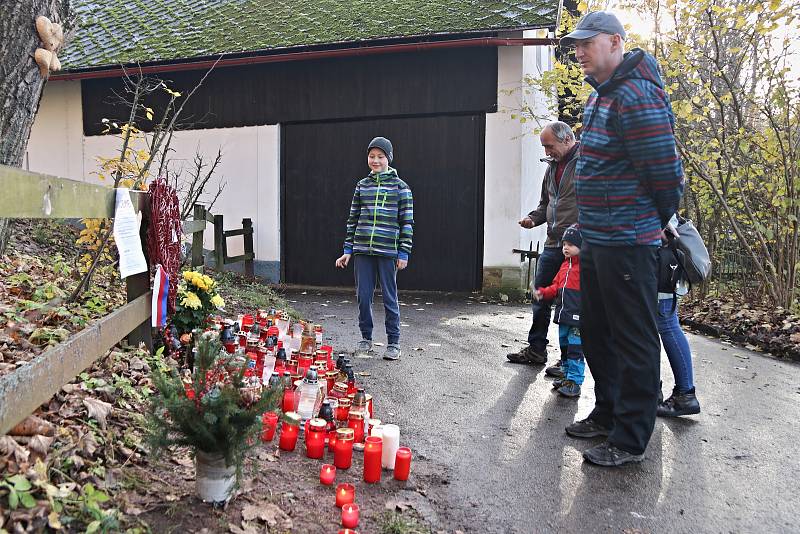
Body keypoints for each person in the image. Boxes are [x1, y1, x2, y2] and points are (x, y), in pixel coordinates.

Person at [560, 11, 685, 467]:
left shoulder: (636, 96)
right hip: (598, 238)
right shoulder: (601, 97)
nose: (578, 53)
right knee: (596, 329)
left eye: (585, 44)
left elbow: (666, 175)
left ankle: (631, 438)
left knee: (633, 337)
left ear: (614, 42)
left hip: (629, 240)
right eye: (575, 45)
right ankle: (608, 411)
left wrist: (649, 221)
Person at [507, 121, 580, 368]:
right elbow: (545, 204)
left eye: (549, 146)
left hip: (576, 246)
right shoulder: (551, 168)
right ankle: (536, 349)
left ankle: (568, 360)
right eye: (544, 147)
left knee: (570, 302)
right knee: (540, 294)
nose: (547, 152)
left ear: (567, 139)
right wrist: (532, 219)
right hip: (552, 242)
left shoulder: (585, 163)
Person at [335, 137, 414, 361]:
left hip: (388, 252)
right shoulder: (362, 185)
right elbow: (353, 219)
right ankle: (366, 339)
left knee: (390, 297)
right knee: (363, 296)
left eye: (380, 156)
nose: (375, 160)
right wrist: (348, 250)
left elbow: (407, 222)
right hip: (362, 251)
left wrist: (404, 252)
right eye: (372, 156)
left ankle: (394, 343)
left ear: (388, 158)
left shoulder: (401, 188)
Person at [532, 225, 585, 398]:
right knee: (565, 346)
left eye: (571, 244)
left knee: (576, 349)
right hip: (563, 316)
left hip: (578, 318)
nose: (565, 248)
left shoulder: (586, 269)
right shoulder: (564, 266)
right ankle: (566, 376)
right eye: (564, 244)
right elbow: (556, 286)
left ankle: (575, 381)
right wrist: (544, 292)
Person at [657, 219, 700, 416]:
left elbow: (666, 225)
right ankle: (677, 392)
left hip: (661, 267)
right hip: (660, 265)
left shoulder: (658, 193)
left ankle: (685, 394)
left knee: (667, 325)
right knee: (661, 327)